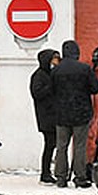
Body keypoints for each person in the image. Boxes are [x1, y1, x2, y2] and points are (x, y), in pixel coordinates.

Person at [52, 39, 98, 188]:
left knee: (61, 146)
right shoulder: (84, 69)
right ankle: (80, 177)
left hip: (61, 114)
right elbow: (95, 88)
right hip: (81, 113)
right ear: (76, 53)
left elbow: (52, 91)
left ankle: (61, 177)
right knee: (79, 146)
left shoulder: (56, 70)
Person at [29, 48, 60, 184]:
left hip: (54, 114)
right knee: (49, 145)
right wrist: (51, 87)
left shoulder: (51, 74)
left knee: (54, 144)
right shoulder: (39, 75)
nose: (56, 62)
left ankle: (51, 171)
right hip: (46, 116)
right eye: (54, 59)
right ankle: (45, 173)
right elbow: (37, 93)